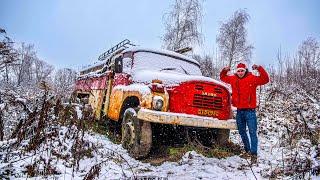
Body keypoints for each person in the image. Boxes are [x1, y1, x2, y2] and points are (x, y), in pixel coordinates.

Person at [220, 62, 269, 163]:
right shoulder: (233, 79)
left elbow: (265, 79)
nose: (240, 72)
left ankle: (254, 154)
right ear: (236, 72)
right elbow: (223, 78)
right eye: (238, 71)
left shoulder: (252, 78)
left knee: (252, 132)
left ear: (245, 70)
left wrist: (259, 68)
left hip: (250, 112)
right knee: (242, 132)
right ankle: (247, 150)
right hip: (239, 111)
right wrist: (225, 70)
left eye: (242, 70)